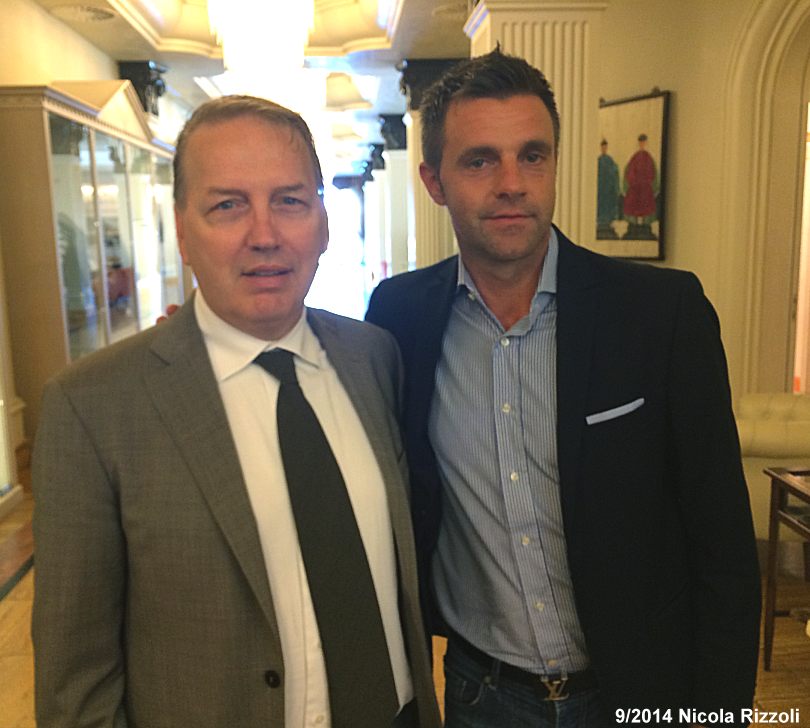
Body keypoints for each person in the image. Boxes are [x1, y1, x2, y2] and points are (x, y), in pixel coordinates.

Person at [366, 50, 761, 727]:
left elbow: (723, 546)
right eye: (480, 161)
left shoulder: (661, 313)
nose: (512, 184)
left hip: (640, 693)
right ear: (434, 181)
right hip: (481, 697)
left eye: (533, 156)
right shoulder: (399, 318)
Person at [32, 95, 441, 728]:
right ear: (182, 230)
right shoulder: (92, 407)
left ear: (323, 224)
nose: (265, 235)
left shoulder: (373, 357)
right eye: (228, 205)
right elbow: (75, 681)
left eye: (290, 201)